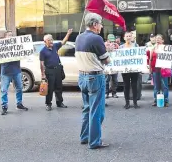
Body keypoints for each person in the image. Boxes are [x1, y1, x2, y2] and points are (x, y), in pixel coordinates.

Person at [75, 13, 110, 149]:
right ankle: (94, 141)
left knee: (87, 108)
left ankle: (85, 137)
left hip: (82, 77)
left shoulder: (79, 37)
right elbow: (106, 59)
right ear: (95, 25)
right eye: (101, 23)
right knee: (97, 111)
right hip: (95, 77)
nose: (101, 26)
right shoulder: (96, 38)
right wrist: (109, 51)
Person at [40, 29, 72, 111]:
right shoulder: (43, 51)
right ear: (45, 42)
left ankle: (59, 102)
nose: (51, 41)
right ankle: (48, 104)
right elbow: (42, 64)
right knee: (50, 89)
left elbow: (63, 42)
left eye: (52, 39)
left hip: (57, 70)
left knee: (59, 87)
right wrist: (43, 75)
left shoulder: (55, 46)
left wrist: (68, 34)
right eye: (49, 40)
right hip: (49, 71)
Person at [0, 31, 29, 115]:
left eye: (12, 35)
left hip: (16, 70)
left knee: (19, 88)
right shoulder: (1, 46)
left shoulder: (17, 45)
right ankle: (4, 106)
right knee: (4, 90)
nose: (11, 37)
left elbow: (25, 51)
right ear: (4, 38)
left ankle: (19, 104)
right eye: (9, 35)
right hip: (6, 71)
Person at [119, 31, 140, 109]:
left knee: (134, 85)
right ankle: (127, 102)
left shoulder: (136, 46)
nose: (128, 37)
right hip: (125, 70)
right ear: (124, 38)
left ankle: (135, 102)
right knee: (126, 85)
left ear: (132, 37)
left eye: (129, 36)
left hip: (134, 70)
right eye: (127, 36)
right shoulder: (121, 47)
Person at [149, 34, 169, 107]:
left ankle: (166, 100)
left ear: (162, 40)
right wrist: (150, 69)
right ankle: (155, 100)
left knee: (165, 86)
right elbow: (150, 59)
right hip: (155, 70)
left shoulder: (166, 48)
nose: (157, 39)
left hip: (164, 70)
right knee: (156, 86)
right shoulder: (152, 48)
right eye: (156, 38)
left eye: (159, 38)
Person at [105, 34, 119, 99]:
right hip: (107, 66)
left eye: (113, 41)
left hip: (114, 66)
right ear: (107, 40)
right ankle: (106, 93)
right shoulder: (104, 45)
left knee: (115, 80)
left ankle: (114, 93)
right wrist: (108, 48)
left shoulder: (116, 46)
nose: (112, 42)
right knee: (106, 80)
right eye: (110, 41)